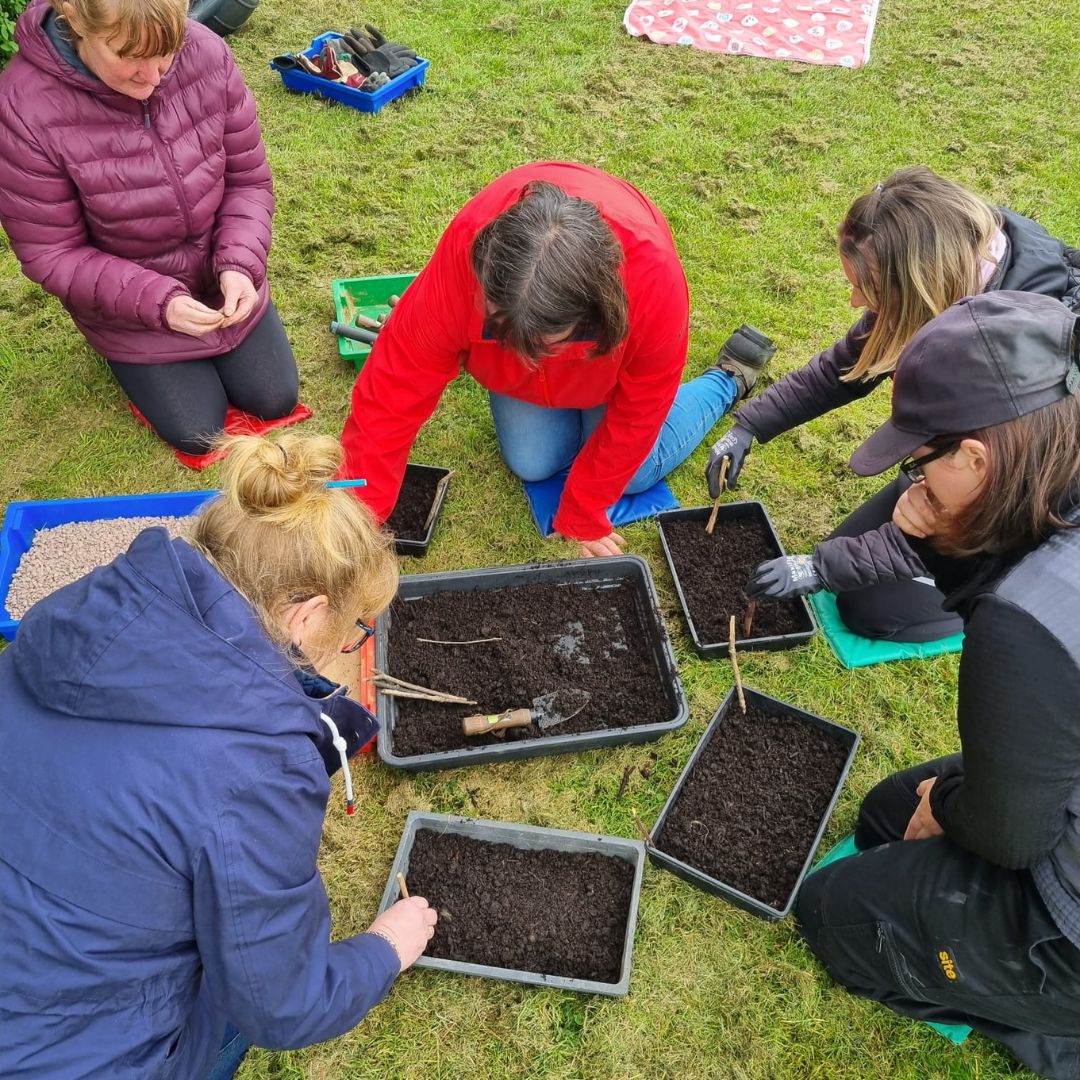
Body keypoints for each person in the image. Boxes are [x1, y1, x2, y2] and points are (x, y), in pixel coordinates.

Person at [0, 432, 438, 1080]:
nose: (350, 642)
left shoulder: (72, 621)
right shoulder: (255, 769)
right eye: (353, 627)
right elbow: (282, 1005)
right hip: (67, 1060)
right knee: (232, 999)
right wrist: (386, 949)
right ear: (306, 616)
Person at [795, 291, 1080, 1080]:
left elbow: (1013, 837)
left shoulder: (1028, 624)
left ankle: (1052, 1018)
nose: (908, 482)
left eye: (919, 464)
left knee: (835, 914)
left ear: (977, 460)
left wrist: (953, 812)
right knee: (890, 814)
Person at [708, 166, 1080, 641]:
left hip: (1035, 508)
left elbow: (992, 505)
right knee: (850, 553)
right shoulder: (953, 280)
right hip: (970, 471)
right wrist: (747, 427)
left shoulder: (1026, 379)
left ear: (920, 285)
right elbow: (846, 368)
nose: (853, 300)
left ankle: (993, 591)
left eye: (869, 290)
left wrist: (822, 567)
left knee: (874, 610)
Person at [340, 162, 774, 557]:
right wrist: (359, 519)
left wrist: (584, 512)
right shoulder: (468, 251)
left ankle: (726, 379)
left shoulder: (652, 282)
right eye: (502, 330)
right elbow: (393, 390)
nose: (527, 359)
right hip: (550, 343)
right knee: (532, 460)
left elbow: (641, 409)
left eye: (542, 343)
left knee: (635, 474)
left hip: (609, 371)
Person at [0, 0, 300, 456]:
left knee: (274, 399)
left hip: (222, 283)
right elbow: (53, 254)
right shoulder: (21, 108)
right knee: (198, 432)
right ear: (76, 20)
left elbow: (248, 181)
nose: (154, 76)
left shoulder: (208, 53)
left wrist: (240, 263)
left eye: (167, 51)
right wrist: (160, 303)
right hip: (130, 305)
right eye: (128, 56)